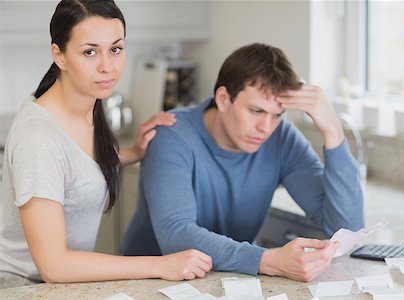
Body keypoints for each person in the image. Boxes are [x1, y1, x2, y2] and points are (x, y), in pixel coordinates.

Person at [0, 0, 212, 288]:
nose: (107, 66)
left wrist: (134, 152)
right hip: (22, 286)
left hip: (58, 285)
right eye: (90, 52)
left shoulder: (84, 101)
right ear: (58, 55)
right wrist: (161, 263)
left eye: (115, 49)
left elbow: (75, 165)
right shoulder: (38, 139)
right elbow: (55, 267)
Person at [122, 43, 364, 282]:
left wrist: (333, 131)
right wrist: (268, 260)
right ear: (223, 99)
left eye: (277, 115)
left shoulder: (283, 139)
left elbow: (346, 229)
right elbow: (176, 235)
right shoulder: (171, 136)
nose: (266, 128)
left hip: (232, 280)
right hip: (151, 284)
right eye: (256, 111)